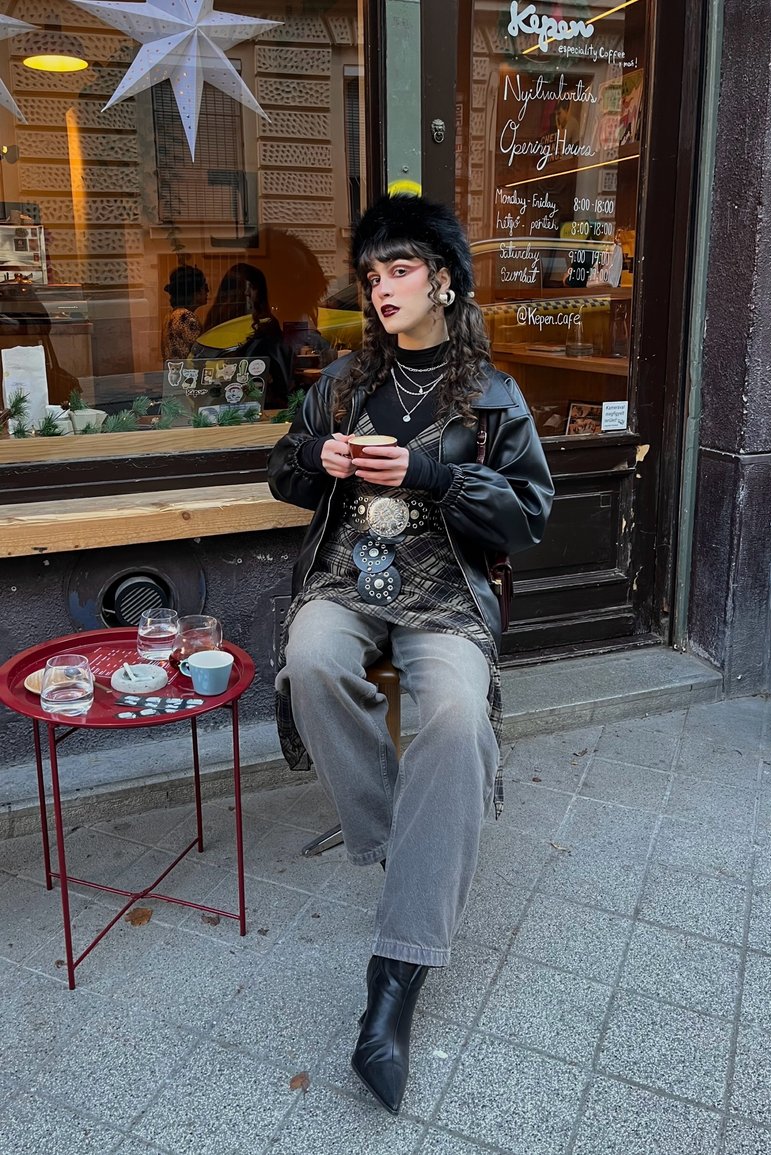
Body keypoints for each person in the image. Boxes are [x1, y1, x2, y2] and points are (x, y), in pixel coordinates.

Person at [267, 193, 554, 1114]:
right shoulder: (343, 381)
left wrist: (433, 473)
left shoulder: (493, 396)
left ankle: (392, 986)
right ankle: (413, 847)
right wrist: (318, 457)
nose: (383, 288)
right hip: (349, 579)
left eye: (400, 270)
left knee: (459, 717)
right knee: (312, 661)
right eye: (372, 275)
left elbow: (530, 516)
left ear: (443, 281)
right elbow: (281, 471)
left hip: (443, 592)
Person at [195, 262, 291, 406]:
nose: (247, 293)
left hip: (213, 402)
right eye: (246, 287)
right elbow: (280, 375)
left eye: (252, 287)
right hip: (251, 402)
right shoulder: (262, 325)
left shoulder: (216, 322)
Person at [161, 264, 208, 359]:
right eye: (204, 287)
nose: (207, 291)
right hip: (187, 368)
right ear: (195, 292)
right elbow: (200, 355)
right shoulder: (186, 317)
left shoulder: (171, 315)